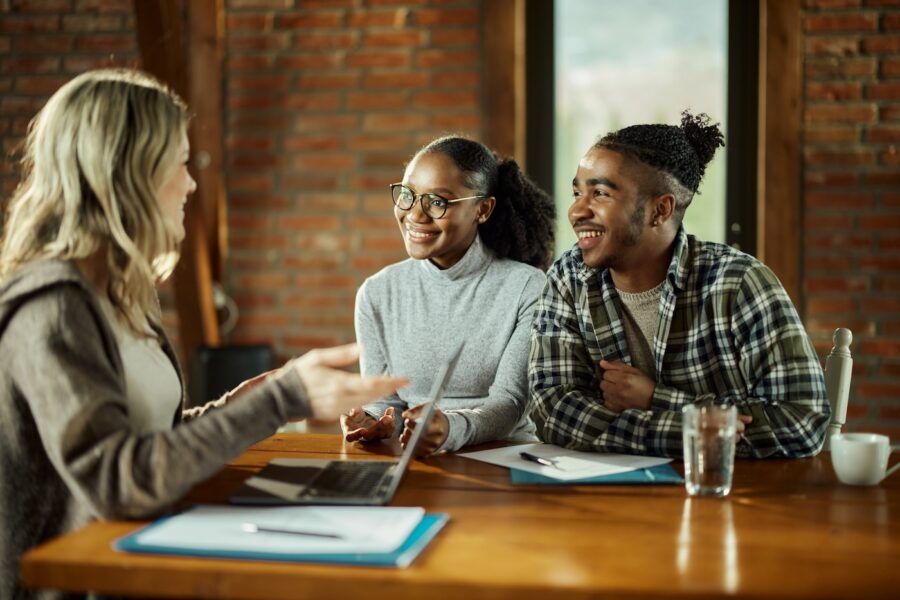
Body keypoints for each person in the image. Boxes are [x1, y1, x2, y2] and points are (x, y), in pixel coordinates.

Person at [0, 69, 406, 599]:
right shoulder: (51, 307)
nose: (192, 183)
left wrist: (250, 402)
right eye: (182, 163)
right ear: (131, 172)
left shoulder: (122, 293)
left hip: (143, 560)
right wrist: (283, 397)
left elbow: (147, 437)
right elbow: (120, 482)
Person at [530, 111, 830, 459]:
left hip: (732, 498)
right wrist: (689, 429)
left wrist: (653, 399)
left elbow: (801, 421)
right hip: (610, 499)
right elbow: (552, 409)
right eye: (577, 192)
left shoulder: (739, 283)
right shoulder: (569, 278)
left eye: (599, 193)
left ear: (660, 211)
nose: (576, 211)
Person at [341, 136, 556, 455]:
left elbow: (509, 404)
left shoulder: (527, 288)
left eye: (437, 202)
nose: (415, 215)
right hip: (416, 458)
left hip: (505, 457)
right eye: (407, 195)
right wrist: (372, 420)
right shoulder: (377, 293)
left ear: (482, 209)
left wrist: (449, 428)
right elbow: (387, 403)